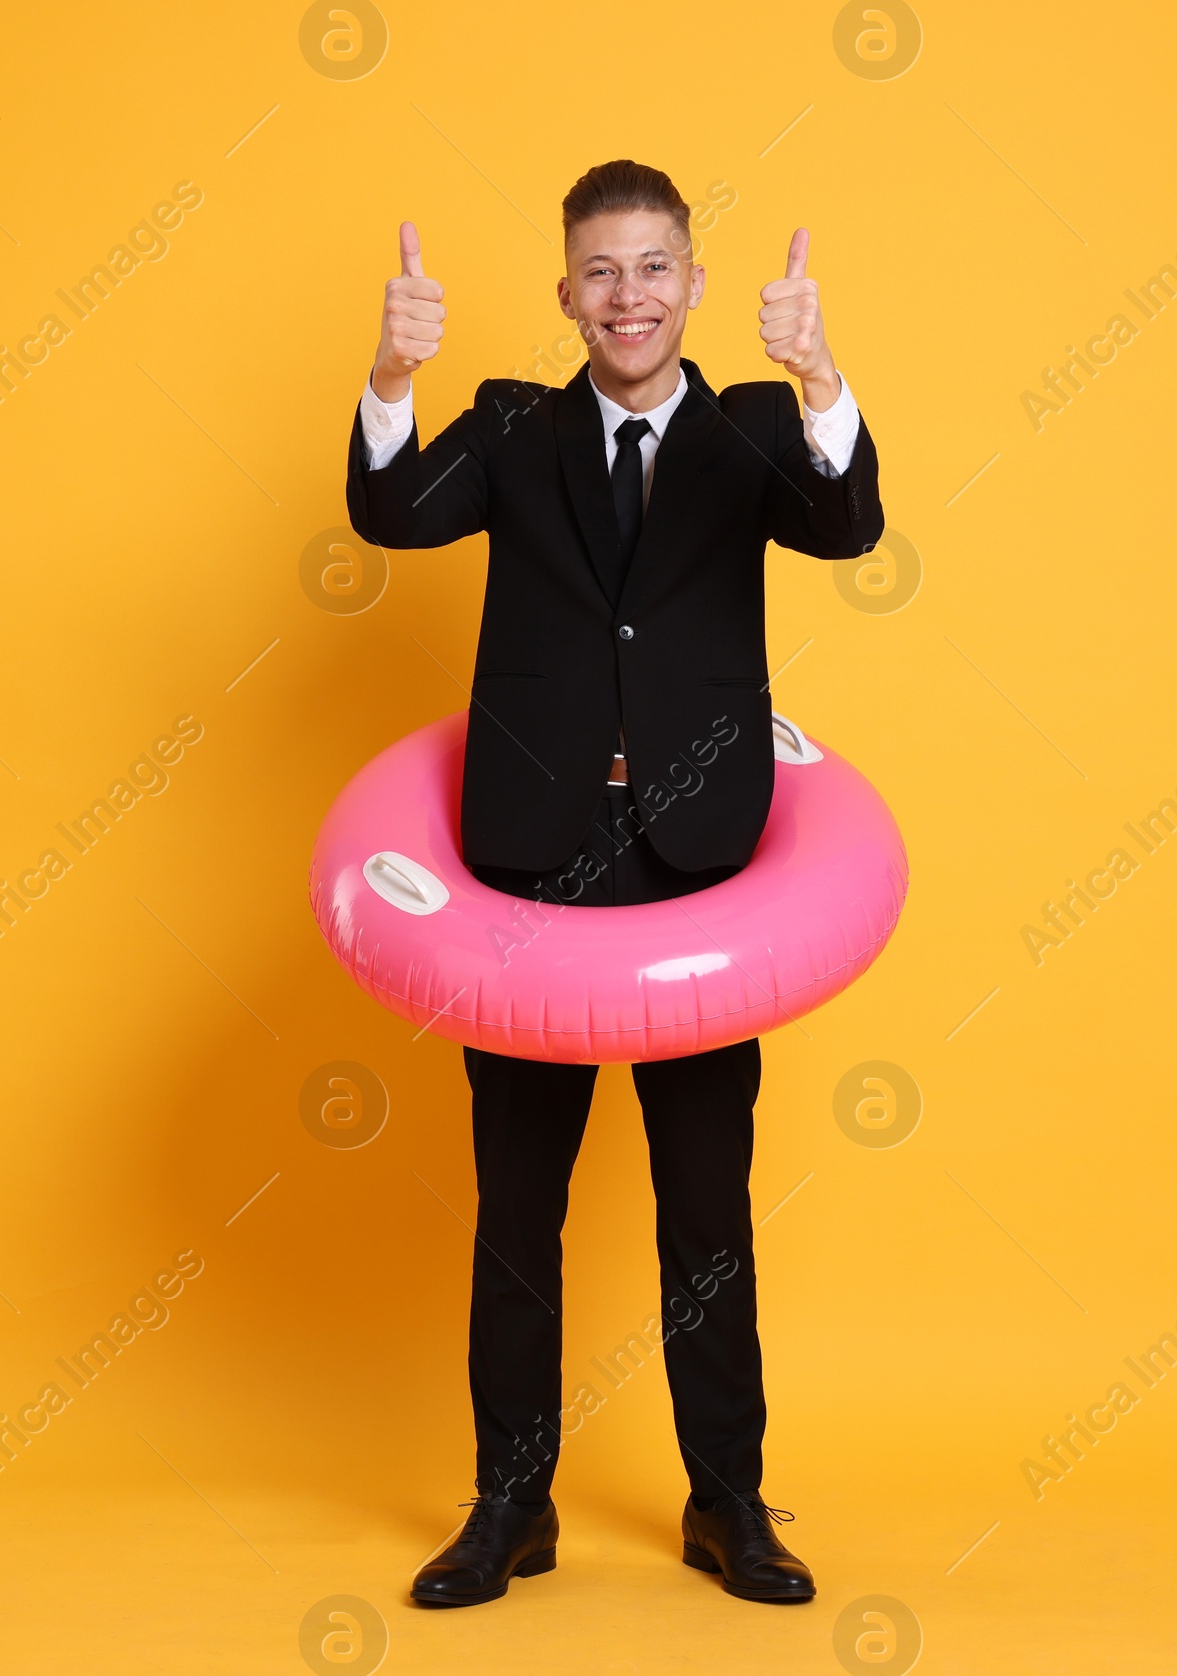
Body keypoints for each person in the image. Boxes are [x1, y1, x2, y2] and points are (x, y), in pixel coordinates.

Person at [346, 159, 883, 1608]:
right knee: (517, 1205)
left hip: (702, 870)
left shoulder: (757, 431)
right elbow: (393, 516)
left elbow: (849, 532)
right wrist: (394, 373)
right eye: (600, 272)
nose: (628, 296)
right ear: (566, 293)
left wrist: (821, 371)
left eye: (655, 268)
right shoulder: (514, 427)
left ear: (695, 286)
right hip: (532, 871)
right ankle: (510, 1508)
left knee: (706, 1208)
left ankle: (731, 1506)